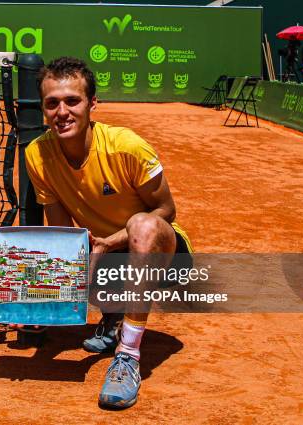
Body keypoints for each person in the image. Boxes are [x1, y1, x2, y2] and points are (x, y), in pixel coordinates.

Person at [24, 57, 192, 409]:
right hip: (106, 256)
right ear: (43, 108)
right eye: (52, 103)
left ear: (92, 104)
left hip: (165, 256)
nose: (62, 111)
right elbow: (61, 234)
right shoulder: (37, 155)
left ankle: (128, 355)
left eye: (73, 101)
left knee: (142, 225)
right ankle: (114, 313)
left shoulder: (127, 146)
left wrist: (110, 241)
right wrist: (40, 300)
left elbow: (166, 211)